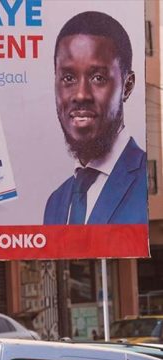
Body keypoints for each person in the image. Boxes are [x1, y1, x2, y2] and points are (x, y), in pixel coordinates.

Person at [44, 11, 146, 225]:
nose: (81, 95)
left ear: (127, 86)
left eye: (98, 78)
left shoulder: (146, 182)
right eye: (68, 78)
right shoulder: (55, 203)